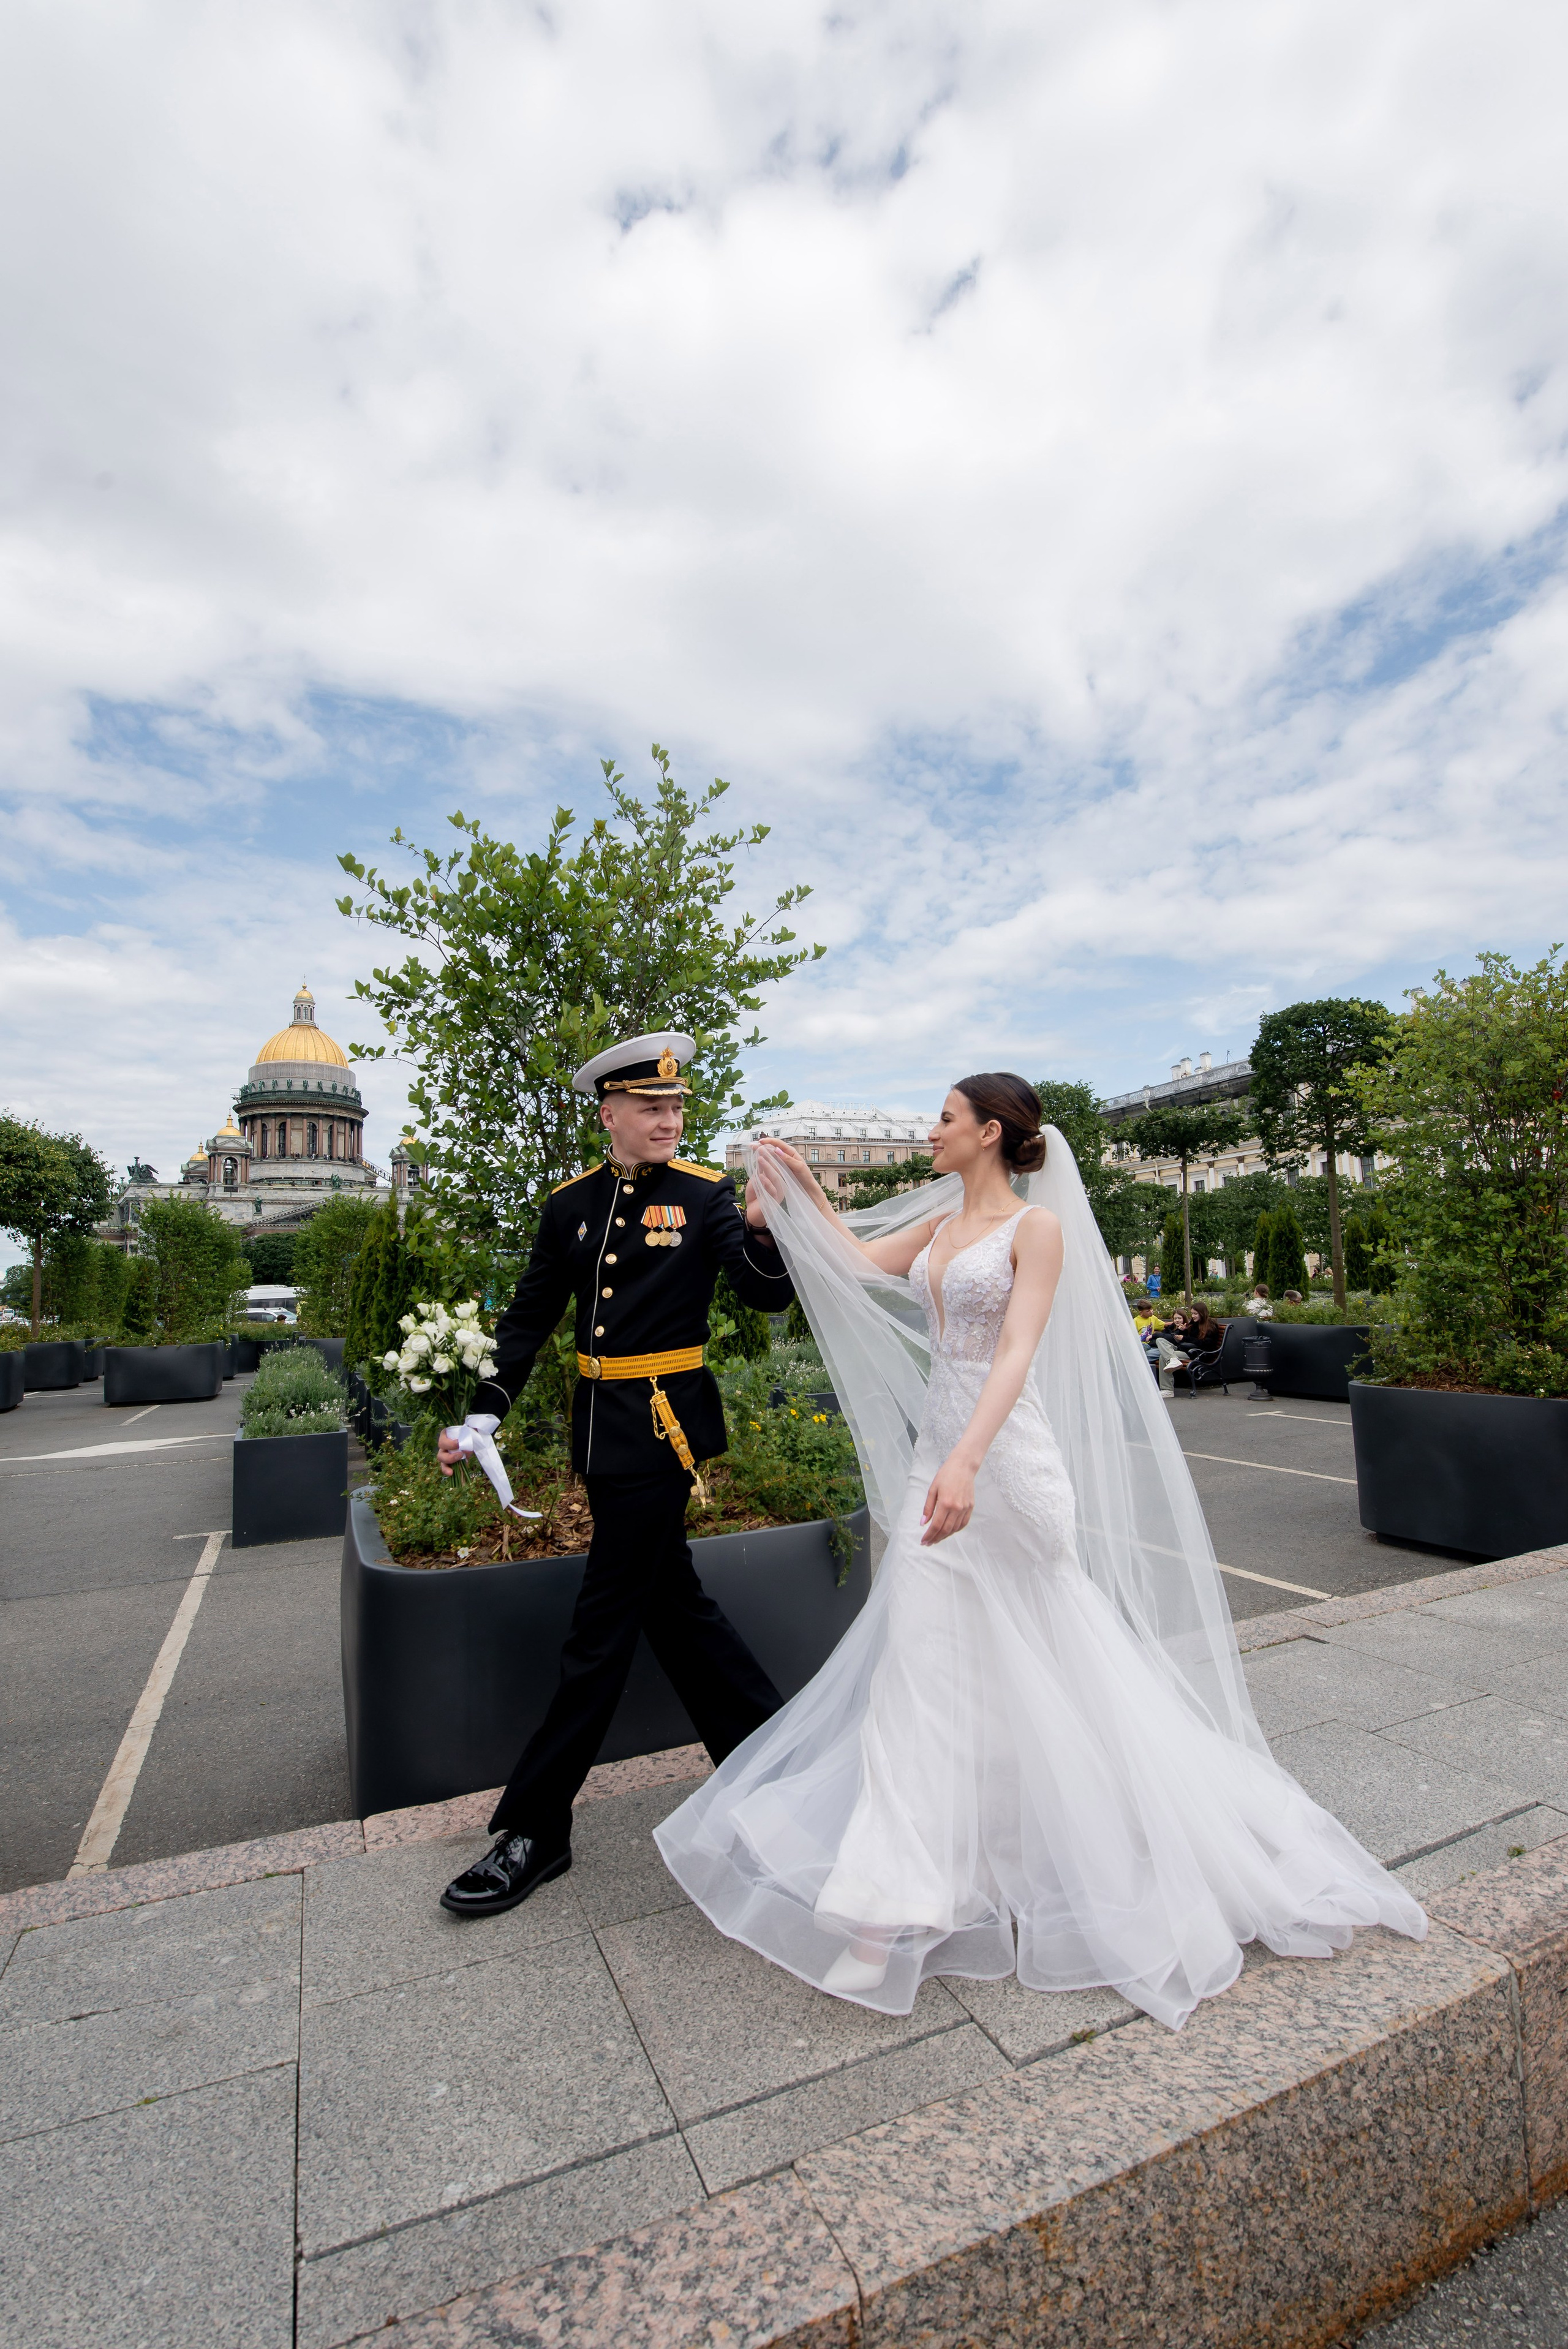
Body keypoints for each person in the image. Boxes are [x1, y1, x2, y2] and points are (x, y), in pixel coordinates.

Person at [655, 1074, 1425, 2028]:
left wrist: (970, 1462)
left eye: (942, 1118)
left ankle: (1111, 1824)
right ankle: (888, 1914)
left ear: (988, 1132)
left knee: (1053, 1654)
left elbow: (1016, 1354)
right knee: (919, 1673)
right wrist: (805, 1192)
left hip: (1004, 1467)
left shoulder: (1036, 1232)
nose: (929, 1132)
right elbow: (854, 1264)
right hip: (938, 1463)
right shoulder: (938, 1233)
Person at [436, 1033, 796, 1920]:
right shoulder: (569, 1207)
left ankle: (537, 1826)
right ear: (610, 1114)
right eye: (652, 1108)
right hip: (601, 1434)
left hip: (663, 1434)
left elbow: (762, 1295)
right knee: (676, 1612)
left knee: (600, 1629)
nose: (670, 1120)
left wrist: (765, 1227)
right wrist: (487, 1408)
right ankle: (779, 1773)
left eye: (677, 1107)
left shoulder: (707, 1193)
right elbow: (529, 1316)